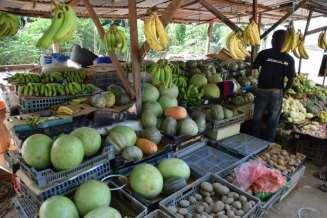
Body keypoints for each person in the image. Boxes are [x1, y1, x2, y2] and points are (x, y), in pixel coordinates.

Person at [252, 29, 295, 142]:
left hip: (262, 90)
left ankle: (253, 140)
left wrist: (255, 83)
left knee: (257, 117)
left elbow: (253, 68)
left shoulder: (264, 53)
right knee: (273, 119)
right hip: (277, 92)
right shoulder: (289, 59)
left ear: (273, 40)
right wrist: (284, 92)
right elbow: (291, 79)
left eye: (273, 38)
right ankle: (269, 142)